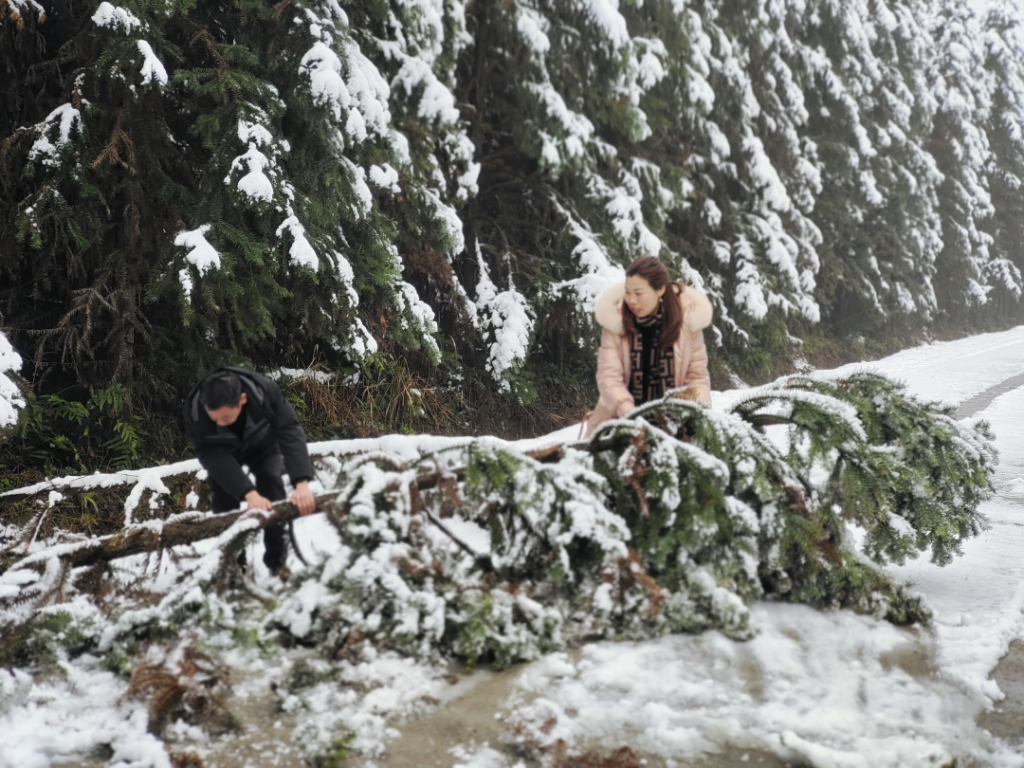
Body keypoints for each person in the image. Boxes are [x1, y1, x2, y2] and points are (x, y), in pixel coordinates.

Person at [183, 367, 316, 576]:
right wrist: (248, 493)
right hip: (222, 452)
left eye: (225, 418)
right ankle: (233, 563)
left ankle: (276, 560)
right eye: (214, 418)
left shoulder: (265, 391)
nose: (218, 422)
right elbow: (212, 457)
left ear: (242, 399)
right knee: (224, 499)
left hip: (262, 444)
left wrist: (301, 483)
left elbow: (289, 429)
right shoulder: (195, 411)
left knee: (270, 481)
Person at [582, 256, 712, 438]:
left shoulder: (687, 322)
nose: (631, 300)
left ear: (659, 290)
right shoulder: (616, 321)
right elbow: (608, 377)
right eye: (627, 292)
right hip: (620, 423)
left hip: (674, 425)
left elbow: (697, 378)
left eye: (639, 293)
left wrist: (697, 413)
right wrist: (632, 416)